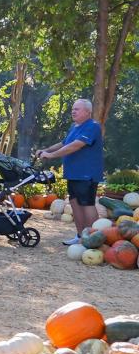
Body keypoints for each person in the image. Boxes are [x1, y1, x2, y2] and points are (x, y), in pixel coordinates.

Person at [37, 98, 104, 245]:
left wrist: (52, 155)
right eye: (73, 109)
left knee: (87, 204)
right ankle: (81, 237)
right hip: (73, 173)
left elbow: (76, 145)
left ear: (88, 111)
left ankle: (95, 240)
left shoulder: (92, 126)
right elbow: (64, 143)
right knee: (75, 204)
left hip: (86, 174)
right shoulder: (74, 126)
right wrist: (46, 150)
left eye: (77, 109)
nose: (73, 111)